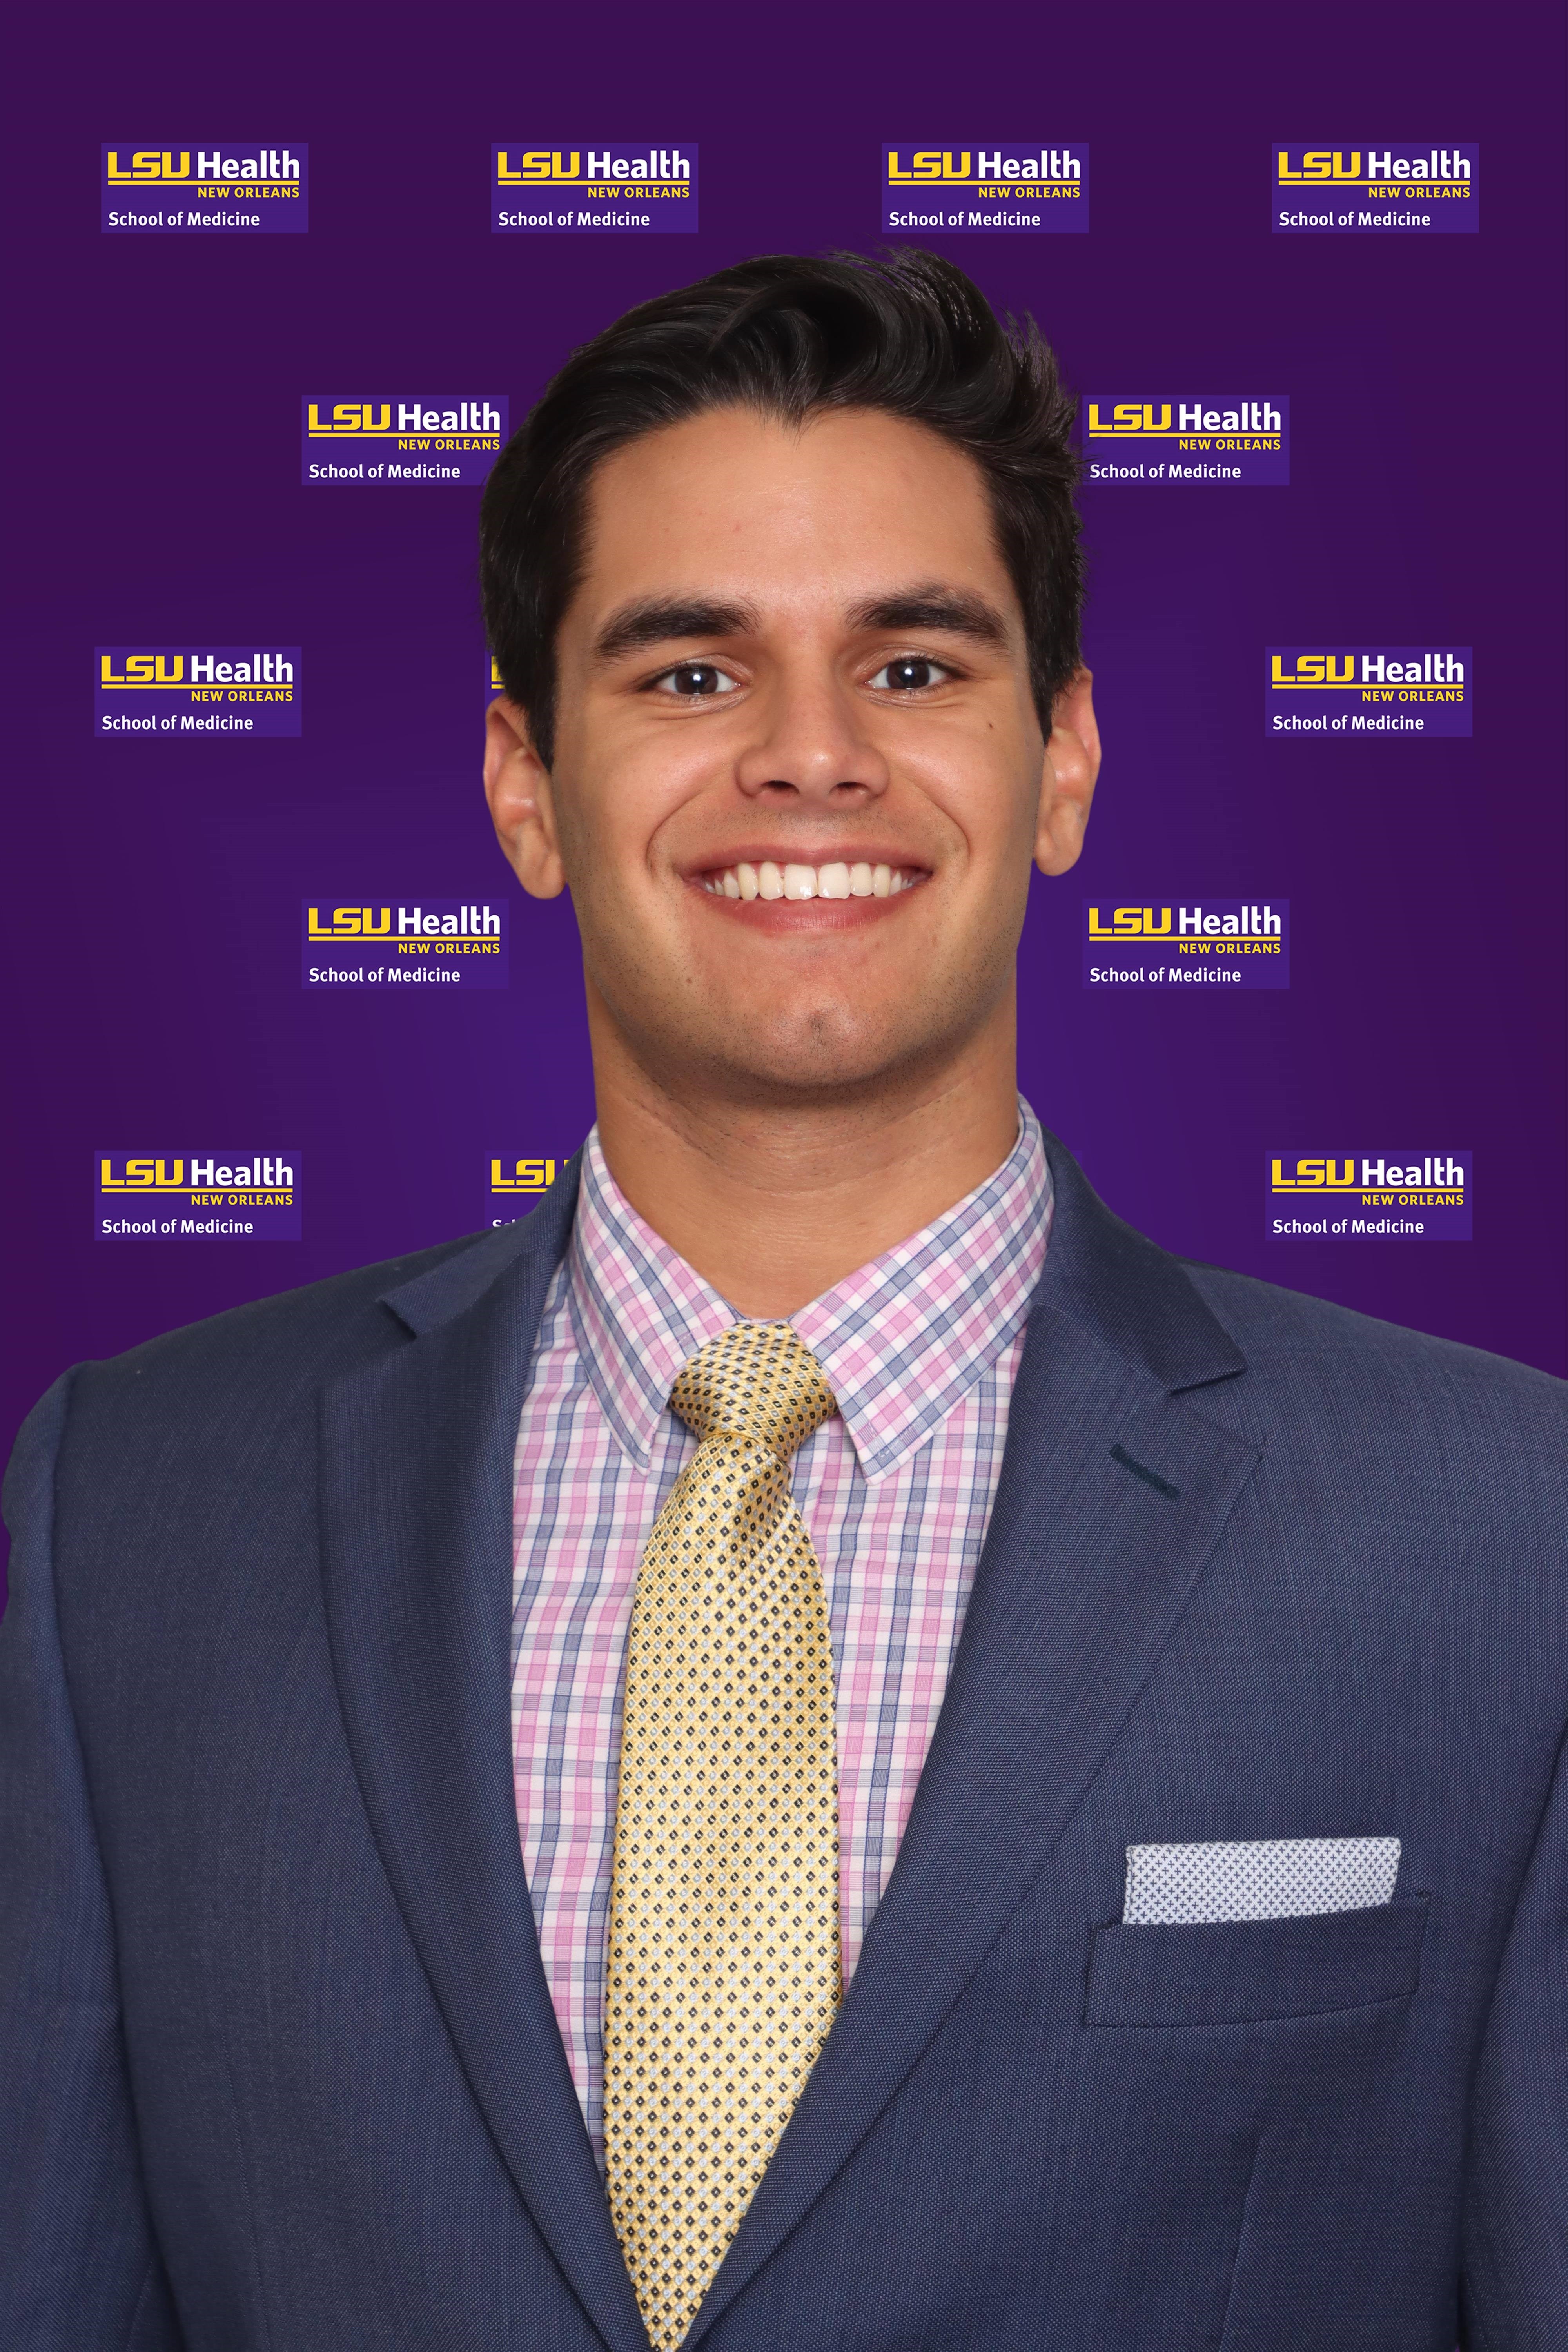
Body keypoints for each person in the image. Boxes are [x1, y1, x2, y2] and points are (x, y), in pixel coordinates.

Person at [1, 252, 1563, 2352]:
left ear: (1068, 763)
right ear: (522, 789)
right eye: (687, 674)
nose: (811, 758)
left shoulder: (1508, 1533)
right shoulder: (127, 1508)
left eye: (916, 670)